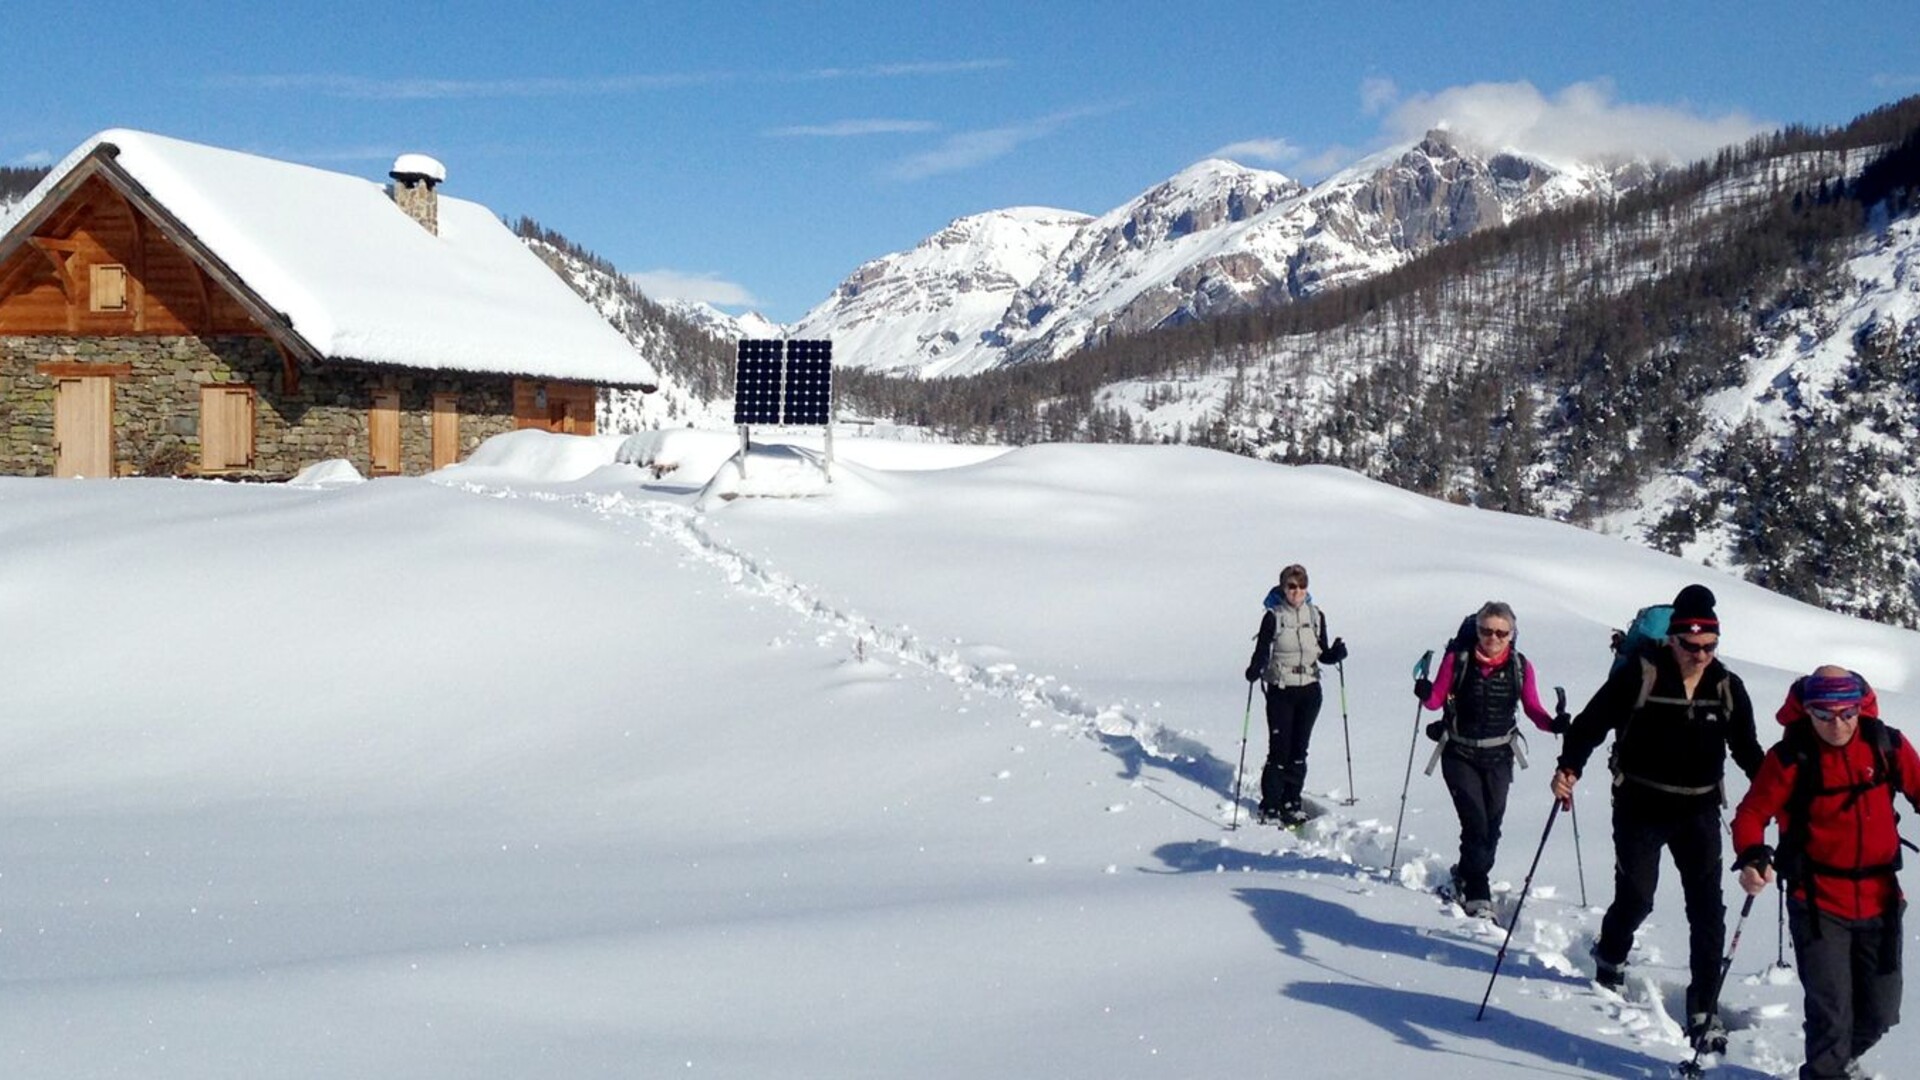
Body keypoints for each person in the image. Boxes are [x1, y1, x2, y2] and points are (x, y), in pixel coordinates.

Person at [1552, 583, 1764, 1052]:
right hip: (1640, 807)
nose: (1701, 655)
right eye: (1692, 646)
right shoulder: (1639, 675)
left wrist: (1777, 799)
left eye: (1710, 646)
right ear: (1672, 639)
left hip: (1700, 810)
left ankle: (1704, 1009)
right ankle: (1610, 955)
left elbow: (1748, 750)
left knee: (1707, 912)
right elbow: (1590, 723)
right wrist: (1569, 768)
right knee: (1637, 898)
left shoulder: (1727, 687)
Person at [1730, 667, 1920, 1080]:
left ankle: (1834, 1062)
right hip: (1818, 902)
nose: (1838, 724)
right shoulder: (1789, 758)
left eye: (1847, 713)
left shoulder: (1886, 744)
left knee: (1881, 1013)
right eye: (1825, 714)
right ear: (1807, 712)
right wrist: (1752, 855)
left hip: (1882, 899)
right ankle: (1825, 1071)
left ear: (1861, 707)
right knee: (1831, 1012)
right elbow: (1751, 814)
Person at [1413, 600, 1568, 919]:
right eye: (1486, 630)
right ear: (1478, 631)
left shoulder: (1520, 666)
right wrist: (1425, 692)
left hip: (1499, 755)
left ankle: (1465, 874)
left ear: (1512, 634)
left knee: (1491, 826)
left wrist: (1554, 723)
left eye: (1501, 632)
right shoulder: (1458, 659)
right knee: (1476, 824)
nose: (1493, 638)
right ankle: (1477, 891)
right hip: (1459, 753)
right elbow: (1435, 702)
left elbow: (1533, 708)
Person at [1244, 564, 1346, 826]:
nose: (1297, 591)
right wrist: (1255, 667)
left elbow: (1322, 652)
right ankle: (1270, 804)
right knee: (1280, 750)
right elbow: (1262, 649)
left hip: (1310, 690)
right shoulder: (1273, 617)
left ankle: (1292, 801)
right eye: (1291, 586)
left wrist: (1335, 654)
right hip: (1281, 689)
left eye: (1301, 586)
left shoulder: (1316, 615)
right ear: (1283, 588)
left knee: (1299, 750)